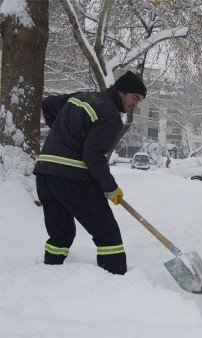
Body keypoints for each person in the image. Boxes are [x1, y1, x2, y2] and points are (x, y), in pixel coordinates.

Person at [33, 71, 147, 275]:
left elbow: (48, 104)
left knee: (61, 233)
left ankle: (49, 275)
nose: (136, 104)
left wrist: (62, 135)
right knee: (107, 234)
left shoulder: (82, 96)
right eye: (134, 97)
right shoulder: (111, 115)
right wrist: (110, 187)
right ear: (121, 91)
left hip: (45, 172)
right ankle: (117, 281)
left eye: (139, 101)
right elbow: (94, 156)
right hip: (72, 178)